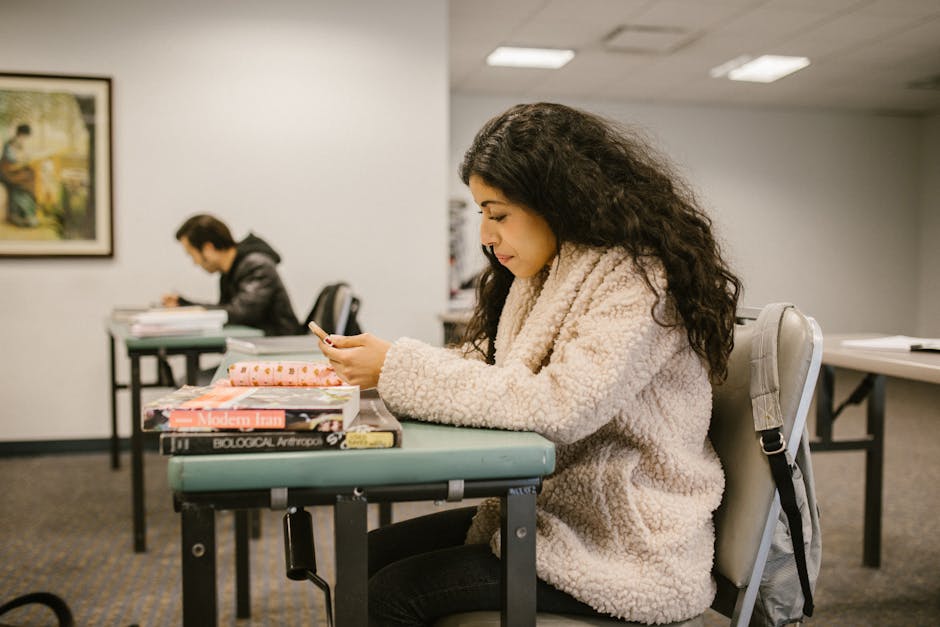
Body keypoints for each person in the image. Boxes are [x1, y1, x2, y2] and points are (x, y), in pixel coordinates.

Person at [318, 102, 742, 625]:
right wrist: (381, 369)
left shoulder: (638, 277)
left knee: (388, 594)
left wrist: (399, 369)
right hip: (561, 512)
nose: (485, 237)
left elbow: (564, 403)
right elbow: (499, 367)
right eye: (481, 216)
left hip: (627, 542)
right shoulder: (544, 275)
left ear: (559, 201)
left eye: (498, 214)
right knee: (367, 554)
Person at [163, 214, 300, 336]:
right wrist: (184, 304)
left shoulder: (257, 265)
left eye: (192, 255)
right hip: (256, 347)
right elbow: (228, 311)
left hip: (278, 348)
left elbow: (241, 313)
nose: (195, 262)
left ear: (208, 249)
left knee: (219, 366)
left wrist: (193, 310)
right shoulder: (228, 272)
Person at [0, 124, 39, 227]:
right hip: (6, 172)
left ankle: (26, 214)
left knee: (31, 175)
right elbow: (12, 160)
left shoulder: (19, 144)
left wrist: (26, 158)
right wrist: (23, 159)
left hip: (14, 170)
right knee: (24, 180)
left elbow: (21, 158)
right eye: (24, 137)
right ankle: (17, 215)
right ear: (19, 134)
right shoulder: (9, 144)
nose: (24, 139)